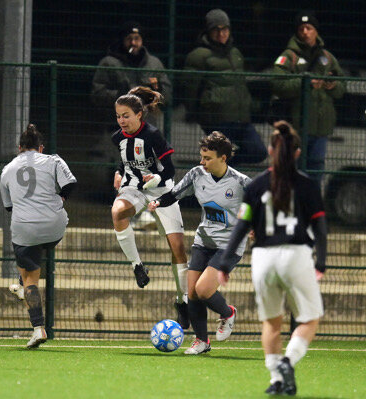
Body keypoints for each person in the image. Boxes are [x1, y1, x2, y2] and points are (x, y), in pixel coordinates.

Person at [216, 121, 327, 395]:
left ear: (269, 150)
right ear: (297, 153)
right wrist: (321, 263)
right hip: (296, 254)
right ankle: (289, 361)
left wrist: (224, 264)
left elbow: (242, 225)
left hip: (263, 258)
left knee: (271, 323)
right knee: (310, 319)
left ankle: (276, 380)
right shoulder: (307, 185)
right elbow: (321, 229)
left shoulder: (255, 185)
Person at [148, 131, 251, 354]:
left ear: (223, 158)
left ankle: (228, 313)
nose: (202, 162)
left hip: (229, 245)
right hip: (203, 241)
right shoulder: (196, 175)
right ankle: (202, 342)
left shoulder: (240, 182)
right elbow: (175, 193)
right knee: (192, 292)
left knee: (204, 290)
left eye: (207, 158)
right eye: (201, 156)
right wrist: (157, 202)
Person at [111, 86, 189, 328]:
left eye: (126, 115)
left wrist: (155, 179)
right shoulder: (118, 138)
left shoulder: (153, 135)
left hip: (162, 189)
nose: (121, 120)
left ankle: (183, 301)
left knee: (177, 248)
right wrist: (118, 171)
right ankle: (137, 266)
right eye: (118, 116)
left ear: (138, 115)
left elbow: (170, 170)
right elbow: (125, 161)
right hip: (134, 188)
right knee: (117, 212)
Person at [0, 124, 77, 349]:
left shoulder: (7, 170)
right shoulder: (54, 160)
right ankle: (22, 286)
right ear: (40, 148)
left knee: (31, 278)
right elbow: (70, 184)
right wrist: (60, 199)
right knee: (35, 255)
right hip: (55, 227)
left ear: (19, 148)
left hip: (26, 229)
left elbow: (8, 207)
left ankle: (38, 328)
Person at [91, 21, 171, 225]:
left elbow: (167, 93)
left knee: (146, 170)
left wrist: (152, 96)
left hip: (148, 126)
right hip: (119, 127)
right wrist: (122, 97)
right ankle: (131, 213)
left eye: (137, 38)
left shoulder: (153, 63)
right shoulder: (109, 62)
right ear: (123, 40)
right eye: (130, 38)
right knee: (128, 168)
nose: (134, 42)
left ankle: (140, 212)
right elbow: (97, 94)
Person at [271, 10, 346, 186]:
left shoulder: (327, 57)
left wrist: (333, 85)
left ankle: (311, 208)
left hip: (321, 129)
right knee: (294, 171)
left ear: (316, 31)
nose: (305, 32)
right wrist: (305, 84)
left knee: (316, 170)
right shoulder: (289, 57)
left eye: (309, 28)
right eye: (302, 28)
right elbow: (278, 84)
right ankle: (293, 209)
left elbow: (342, 87)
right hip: (296, 128)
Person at [183, 8, 267, 166]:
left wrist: (249, 103)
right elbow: (190, 88)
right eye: (216, 30)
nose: (221, 34)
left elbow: (240, 83)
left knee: (258, 151)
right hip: (217, 118)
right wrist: (195, 112)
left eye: (225, 29)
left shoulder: (235, 53)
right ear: (208, 31)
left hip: (241, 118)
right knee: (221, 158)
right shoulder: (199, 55)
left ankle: (226, 165)